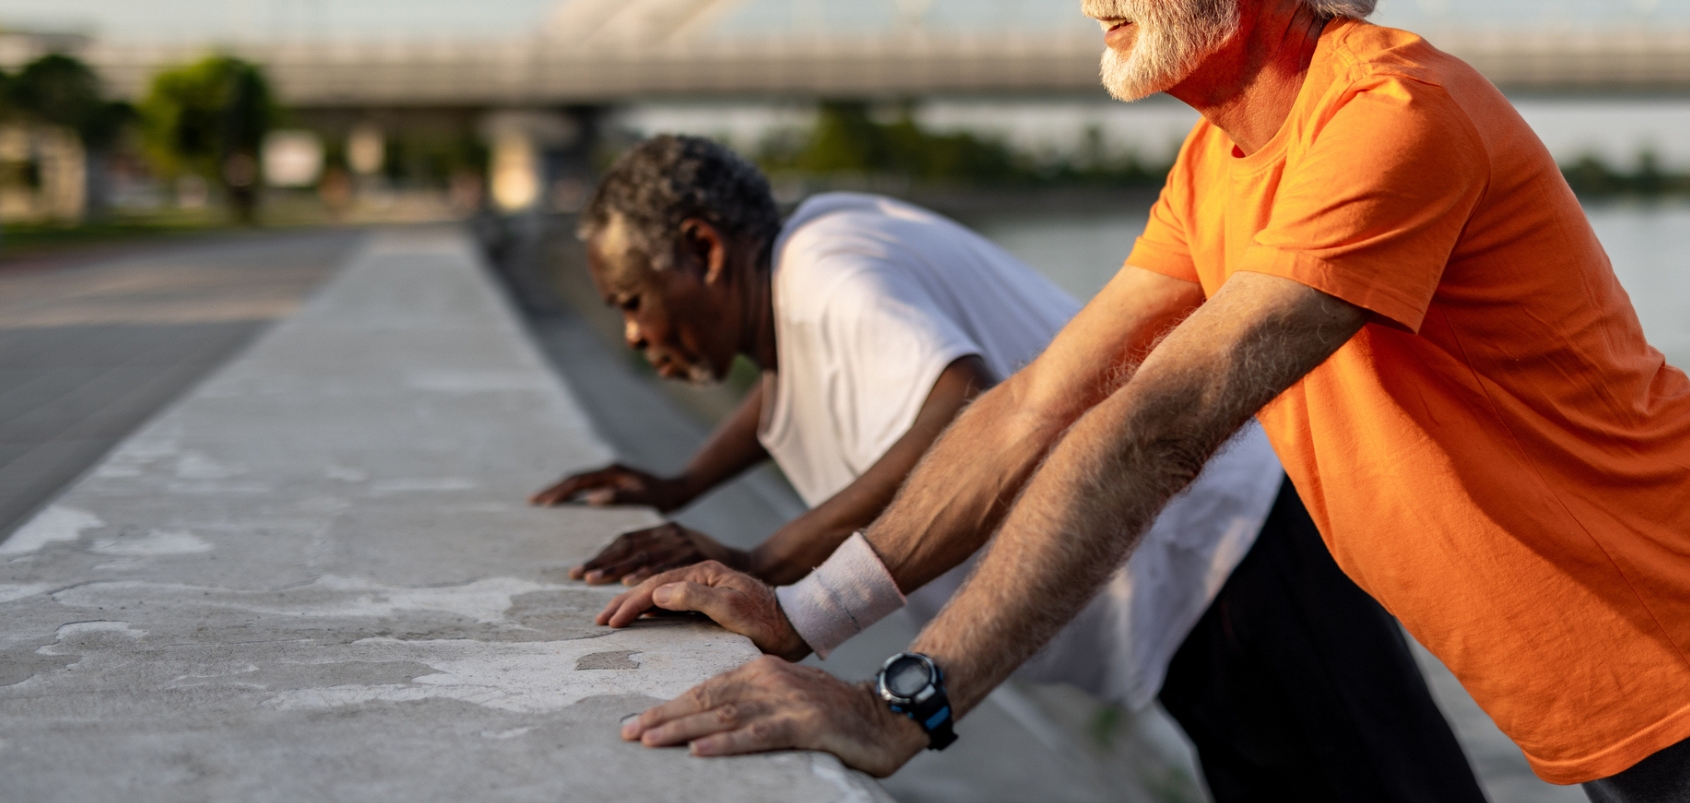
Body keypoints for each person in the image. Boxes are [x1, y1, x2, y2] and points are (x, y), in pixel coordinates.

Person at [600, 0, 1690, 802]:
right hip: (1636, 702)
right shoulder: (1224, 163)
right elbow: (1034, 408)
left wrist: (904, 707)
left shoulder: (1392, 118)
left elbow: (1155, 428)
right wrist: (802, 608)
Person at [537, 135, 1487, 801]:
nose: (631, 331)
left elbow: (960, 402)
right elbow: (786, 391)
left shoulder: (833, 274)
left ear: (704, 249)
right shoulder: (814, 265)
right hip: (1191, 577)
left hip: (1227, 567)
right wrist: (679, 487)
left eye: (632, 299)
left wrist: (767, 561)